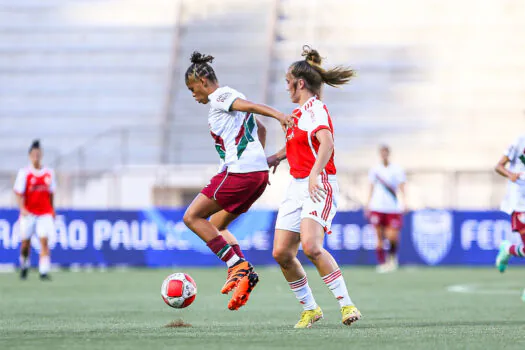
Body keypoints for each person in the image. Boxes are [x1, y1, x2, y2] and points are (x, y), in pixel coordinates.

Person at [182, 52, 294, 310]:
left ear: (202, 80)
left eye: (192, 88)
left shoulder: (219, 96)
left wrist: (279, 115)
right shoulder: (228, 99)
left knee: (192, 217)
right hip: (256, 175)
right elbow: (260, 129)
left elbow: (252, 107)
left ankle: (236, 265)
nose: (193, 94)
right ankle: (247, 273)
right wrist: (262, 161)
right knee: (217, 225)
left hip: (238, 173)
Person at [268, 46, 361, 328]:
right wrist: (276, 156)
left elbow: (327, 142)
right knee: (281, 253)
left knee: (310, 246)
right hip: (297, 185)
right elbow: (299, 144)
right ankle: (311, 309)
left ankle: (347, 305)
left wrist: (314, 174)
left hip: (318, 183)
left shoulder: (316, 109)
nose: (286, 87)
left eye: (288, 82)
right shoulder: (297, 114)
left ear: (300, 83)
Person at [13, 140, 56, 280]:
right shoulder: (24, 173)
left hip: (44, 213)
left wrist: (52, 210)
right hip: (29, 213)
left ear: (41, 154)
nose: (36, 156)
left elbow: (51, 193)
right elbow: (18, 193)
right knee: (26, 243)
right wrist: (22, 208)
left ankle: (43, 271)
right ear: (30, 155)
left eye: (38, 153)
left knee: (44, 241)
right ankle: (24, 266)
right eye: (34, 154)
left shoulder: (49, 173)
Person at [365, 145, 407, 273]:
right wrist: (368, 204)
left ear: (388, 154)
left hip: (392, 207)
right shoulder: (374, 170)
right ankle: (382, 263)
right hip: (377, 206)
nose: (384, 155)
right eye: (382, 153)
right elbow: (371, 187)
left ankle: (392, 258)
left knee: (392, 236)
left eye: (385, 153)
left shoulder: (397, 169)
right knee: (378, 236)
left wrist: (404, 201)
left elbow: (402, 186)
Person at [494, 134, 525, 300]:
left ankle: (508, 249)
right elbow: (498, 166)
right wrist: (510, 175)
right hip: (520, 203)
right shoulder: (520, 142)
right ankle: (507, 249)